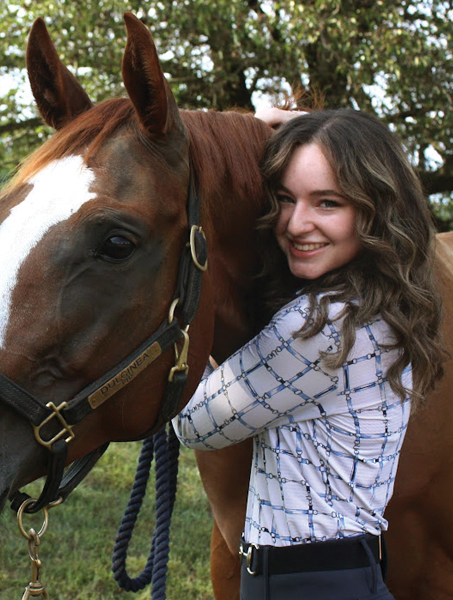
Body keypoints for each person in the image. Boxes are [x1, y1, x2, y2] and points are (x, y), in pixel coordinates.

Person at [172, 109, 445, 600]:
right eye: (284, 199)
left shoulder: (319, 326)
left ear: (375, 210)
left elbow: (193, 424)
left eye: (327, 203)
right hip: (347, 572)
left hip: (300, 582)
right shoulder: (384, 305)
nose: (297, 224)